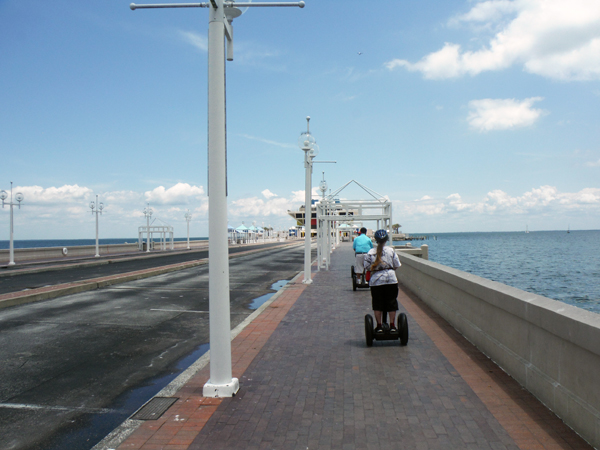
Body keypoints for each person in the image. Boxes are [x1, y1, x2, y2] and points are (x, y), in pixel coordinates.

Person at [364, 229, 401, 333]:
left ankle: (379, 326)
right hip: (391, 279)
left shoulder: (371, 252)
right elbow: (396, 265)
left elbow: (367, 267)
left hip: (376, 281)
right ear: (386, 240)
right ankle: (392, 326)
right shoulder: (391, 250)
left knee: (377, 303)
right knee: (392, 302)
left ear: (376, 240)